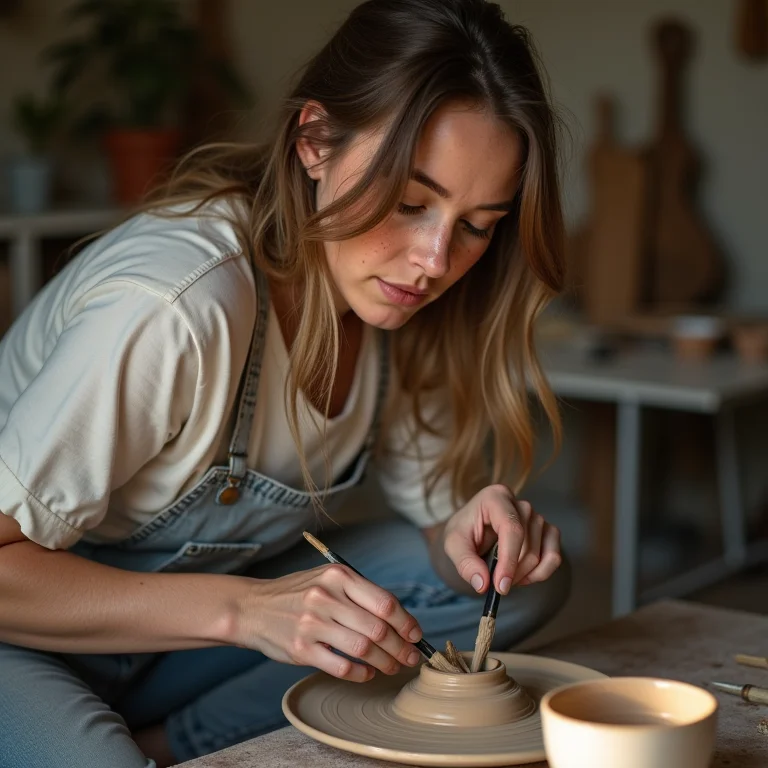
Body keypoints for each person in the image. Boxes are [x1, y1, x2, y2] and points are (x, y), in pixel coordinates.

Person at [0, 1, 570, 765]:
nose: (435, 260)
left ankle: (174, 743)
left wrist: (473, 535)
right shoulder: (177, 305)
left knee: (519, 587)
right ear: (314, 142)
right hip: (25, 637)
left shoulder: (398, 308)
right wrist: (243, 610)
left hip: (169, 645)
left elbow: (439, 545)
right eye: (410, 203)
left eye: (476, 224)